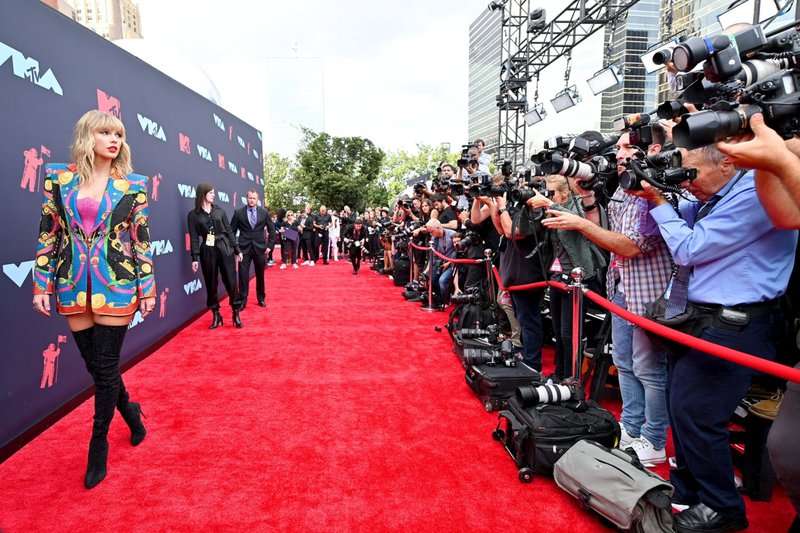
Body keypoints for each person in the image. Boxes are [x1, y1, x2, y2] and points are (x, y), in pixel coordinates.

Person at [636, 144, 797, 533]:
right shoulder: (713, 197)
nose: (686, 179)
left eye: (690, 171)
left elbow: (689, 249)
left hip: (736, 324)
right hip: (696, 318)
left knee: (698, 414)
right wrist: (654, 192)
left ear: (727, 163)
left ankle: (722, 507)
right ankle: (689, 490)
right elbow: (652, 230)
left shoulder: (755, 189)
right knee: (682, 410)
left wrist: (660, 201)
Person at [33, 110, 155, 489]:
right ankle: (131, 413)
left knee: (104, 366)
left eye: (118, 134)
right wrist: (41, 284)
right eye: (105, 132)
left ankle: (97, 444)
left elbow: (141, 239)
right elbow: (49, 233)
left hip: (117, 282)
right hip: (72, 282)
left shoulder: (133, 185)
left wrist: (148, 287)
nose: (114, 140)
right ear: (89, 136)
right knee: (98, 368)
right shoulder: (58, 179)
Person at [543, 128, 672, 464]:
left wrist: (579, 224)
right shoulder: (622, 190)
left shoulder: (654, 189)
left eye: (627, 147)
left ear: (652, 150)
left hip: (649, 292)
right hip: (620, 287)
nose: (619, 154)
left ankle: (654, 439)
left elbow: (630, 246)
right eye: (618, 147)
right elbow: (605, 233)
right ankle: (631, 427)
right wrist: (587, 199)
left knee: (648, 369)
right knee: (625, 364)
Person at [527, 175, 607, 380]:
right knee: (558, 331)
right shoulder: (549, 208)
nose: (547, 196)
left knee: (569, 333)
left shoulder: (578, 205)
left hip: (577, 277)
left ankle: (571, 379)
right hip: (557, 276)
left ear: (565, 193)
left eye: (552, 192)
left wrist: (549, 204)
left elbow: (580, 223)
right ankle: (560, 374)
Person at [187, 183, 243, 329]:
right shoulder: (193, 215)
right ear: (203, 194)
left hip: (224, 247)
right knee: (210, 282)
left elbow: (229, 231)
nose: (214, 195)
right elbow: (194, 237)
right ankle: (216, 314)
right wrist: (195, 258)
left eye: (214, 192)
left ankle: (236, 313)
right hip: (207, 249)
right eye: (211, 192)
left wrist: (237, 249)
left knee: (231, 281)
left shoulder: (220, 211)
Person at [230, 189, 275, 309]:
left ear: (257, 199)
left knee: (260, 275)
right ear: (246, 198)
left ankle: (261, 298)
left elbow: (272, 230)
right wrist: (236, 248)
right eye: (250, 198)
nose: (251, 200)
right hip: (243, 249)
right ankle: (243, 300)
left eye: (254, 198)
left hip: (260, 248)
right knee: (243, 276)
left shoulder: (264, 212)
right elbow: (231, 232)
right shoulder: (238, 213)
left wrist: (270, 246)